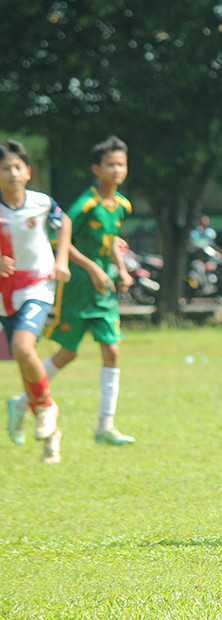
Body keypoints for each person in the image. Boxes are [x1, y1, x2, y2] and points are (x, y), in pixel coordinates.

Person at [9, 136, 136, 447]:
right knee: (67, 353)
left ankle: (105, 425)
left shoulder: (122, 205)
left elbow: (112, 239)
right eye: (110, 164)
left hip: (102, 289)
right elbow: (60, 241)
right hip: (77, 287)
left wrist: (121, 268)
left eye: (121, 164)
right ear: (97, 169)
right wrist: (91, 268)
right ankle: (23, 402)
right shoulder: (85, 204)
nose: (117, 170)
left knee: (112, 349)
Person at [0, 139, 72, 462]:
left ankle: (44, 408)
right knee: (24, 361)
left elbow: (64, 222)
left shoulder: (41, 203)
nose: (12, 173)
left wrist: (61, 260)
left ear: (28, 172)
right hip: (4, 295)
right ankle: (44, 428)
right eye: (5, 168)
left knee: (22, 348)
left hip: (37, 287)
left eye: (17, 167)